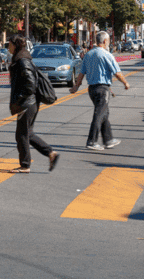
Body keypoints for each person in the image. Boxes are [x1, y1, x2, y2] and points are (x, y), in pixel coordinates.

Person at [70, 30, 130, 151]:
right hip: (102, 89)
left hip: (92, 89)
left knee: (104, 113)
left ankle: (108, 139)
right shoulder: (106, 55)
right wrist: (125, 82)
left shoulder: (89, 54)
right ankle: (91, 141)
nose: (109, 43)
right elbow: (117, 73)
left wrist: (76, 86)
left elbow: (81, 73)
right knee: (99, 114)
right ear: (104, 41)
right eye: (108, 40)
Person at [8, 34, 59, 174]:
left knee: (22, 135)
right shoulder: (21, 59)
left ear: (15, 45)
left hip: (27, 103)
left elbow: (30, 83)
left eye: (9, 44)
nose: (8, 47)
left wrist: (20, 98)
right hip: (29, 102)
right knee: (27, 134)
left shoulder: (22, 60)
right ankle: (50, 153)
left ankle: (25, 165)